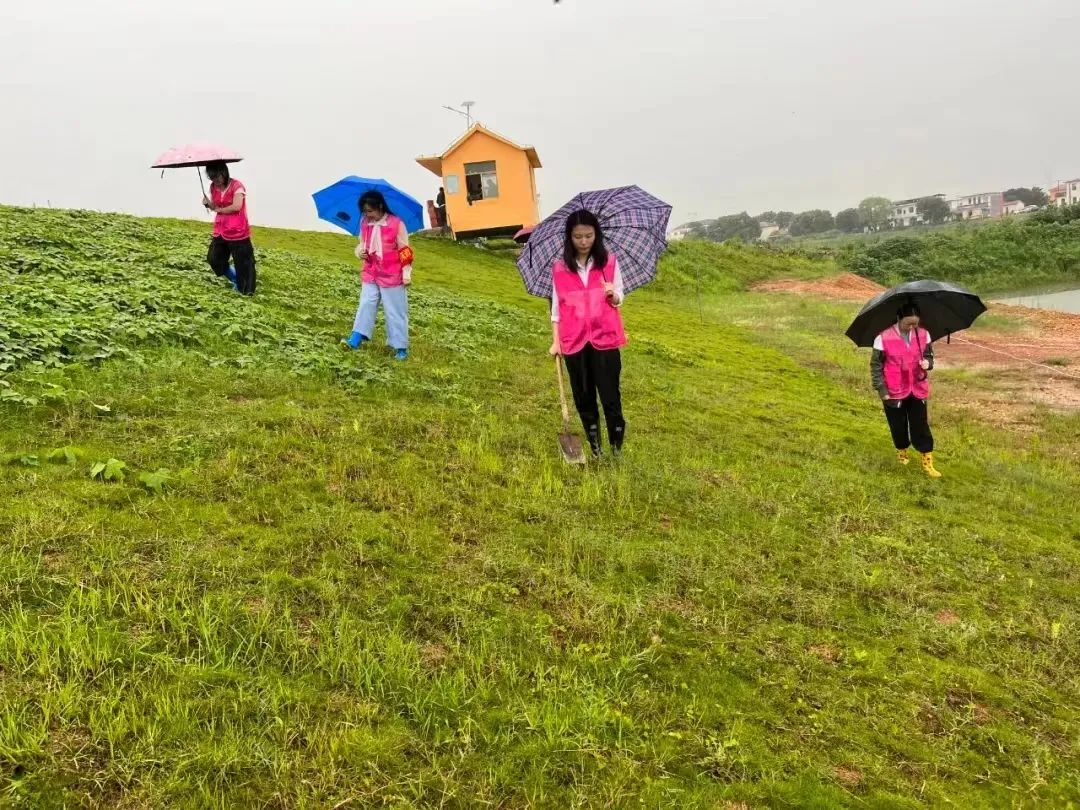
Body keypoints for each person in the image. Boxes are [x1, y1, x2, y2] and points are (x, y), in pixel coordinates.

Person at [548, 210, 626, 457]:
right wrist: (555, 341)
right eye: (578, 236)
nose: (583, 242)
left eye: (589, 236)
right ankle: (596, 450)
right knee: (584, 398)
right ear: (569, 237)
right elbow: (556, 309)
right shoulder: (559, 269)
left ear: (596, 235)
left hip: (605, 339)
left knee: (611, 398)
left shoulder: (609, 263)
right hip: (574, 342)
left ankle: (616, 450)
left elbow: (619, 297)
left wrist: (613, 294)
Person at [871, 303, 941, 478]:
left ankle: (927, 462)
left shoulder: (924, 334)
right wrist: (882, 390)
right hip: (893, 389)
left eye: (915, 323)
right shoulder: (883, 338)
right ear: (899, 319)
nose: (912, 327)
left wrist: (928, 363)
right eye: (908, 323)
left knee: (921, 425)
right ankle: (902, 455)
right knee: (898, 425)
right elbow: (876, 366)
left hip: (917, 388)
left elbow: (929, 355)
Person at [342, 190, 413, 360]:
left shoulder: (397, 224)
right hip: (371, 271)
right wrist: (360, 253)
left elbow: (405, 250)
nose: (368, 215)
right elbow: (361, 244)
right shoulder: (365, 223)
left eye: (370, 211)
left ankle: (400, 347)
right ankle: (356, 337)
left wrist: (406, 273)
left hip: (392, 274)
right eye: (365, 212)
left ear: (380, 206)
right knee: (366, 303)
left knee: (395, 310)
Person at [202, 161, 256, 296]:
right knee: (214, 258)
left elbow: (237, 206)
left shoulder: (237, 186)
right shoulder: (213, 187)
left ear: (224, 173)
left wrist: (219, 209)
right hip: (220, 230)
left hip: (238, 231)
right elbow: (215, 206)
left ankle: (245, 291)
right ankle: (234, 278)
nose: (216, 181)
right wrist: (208, 204)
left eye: (217, 177)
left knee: (244, 263)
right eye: (212, 177)